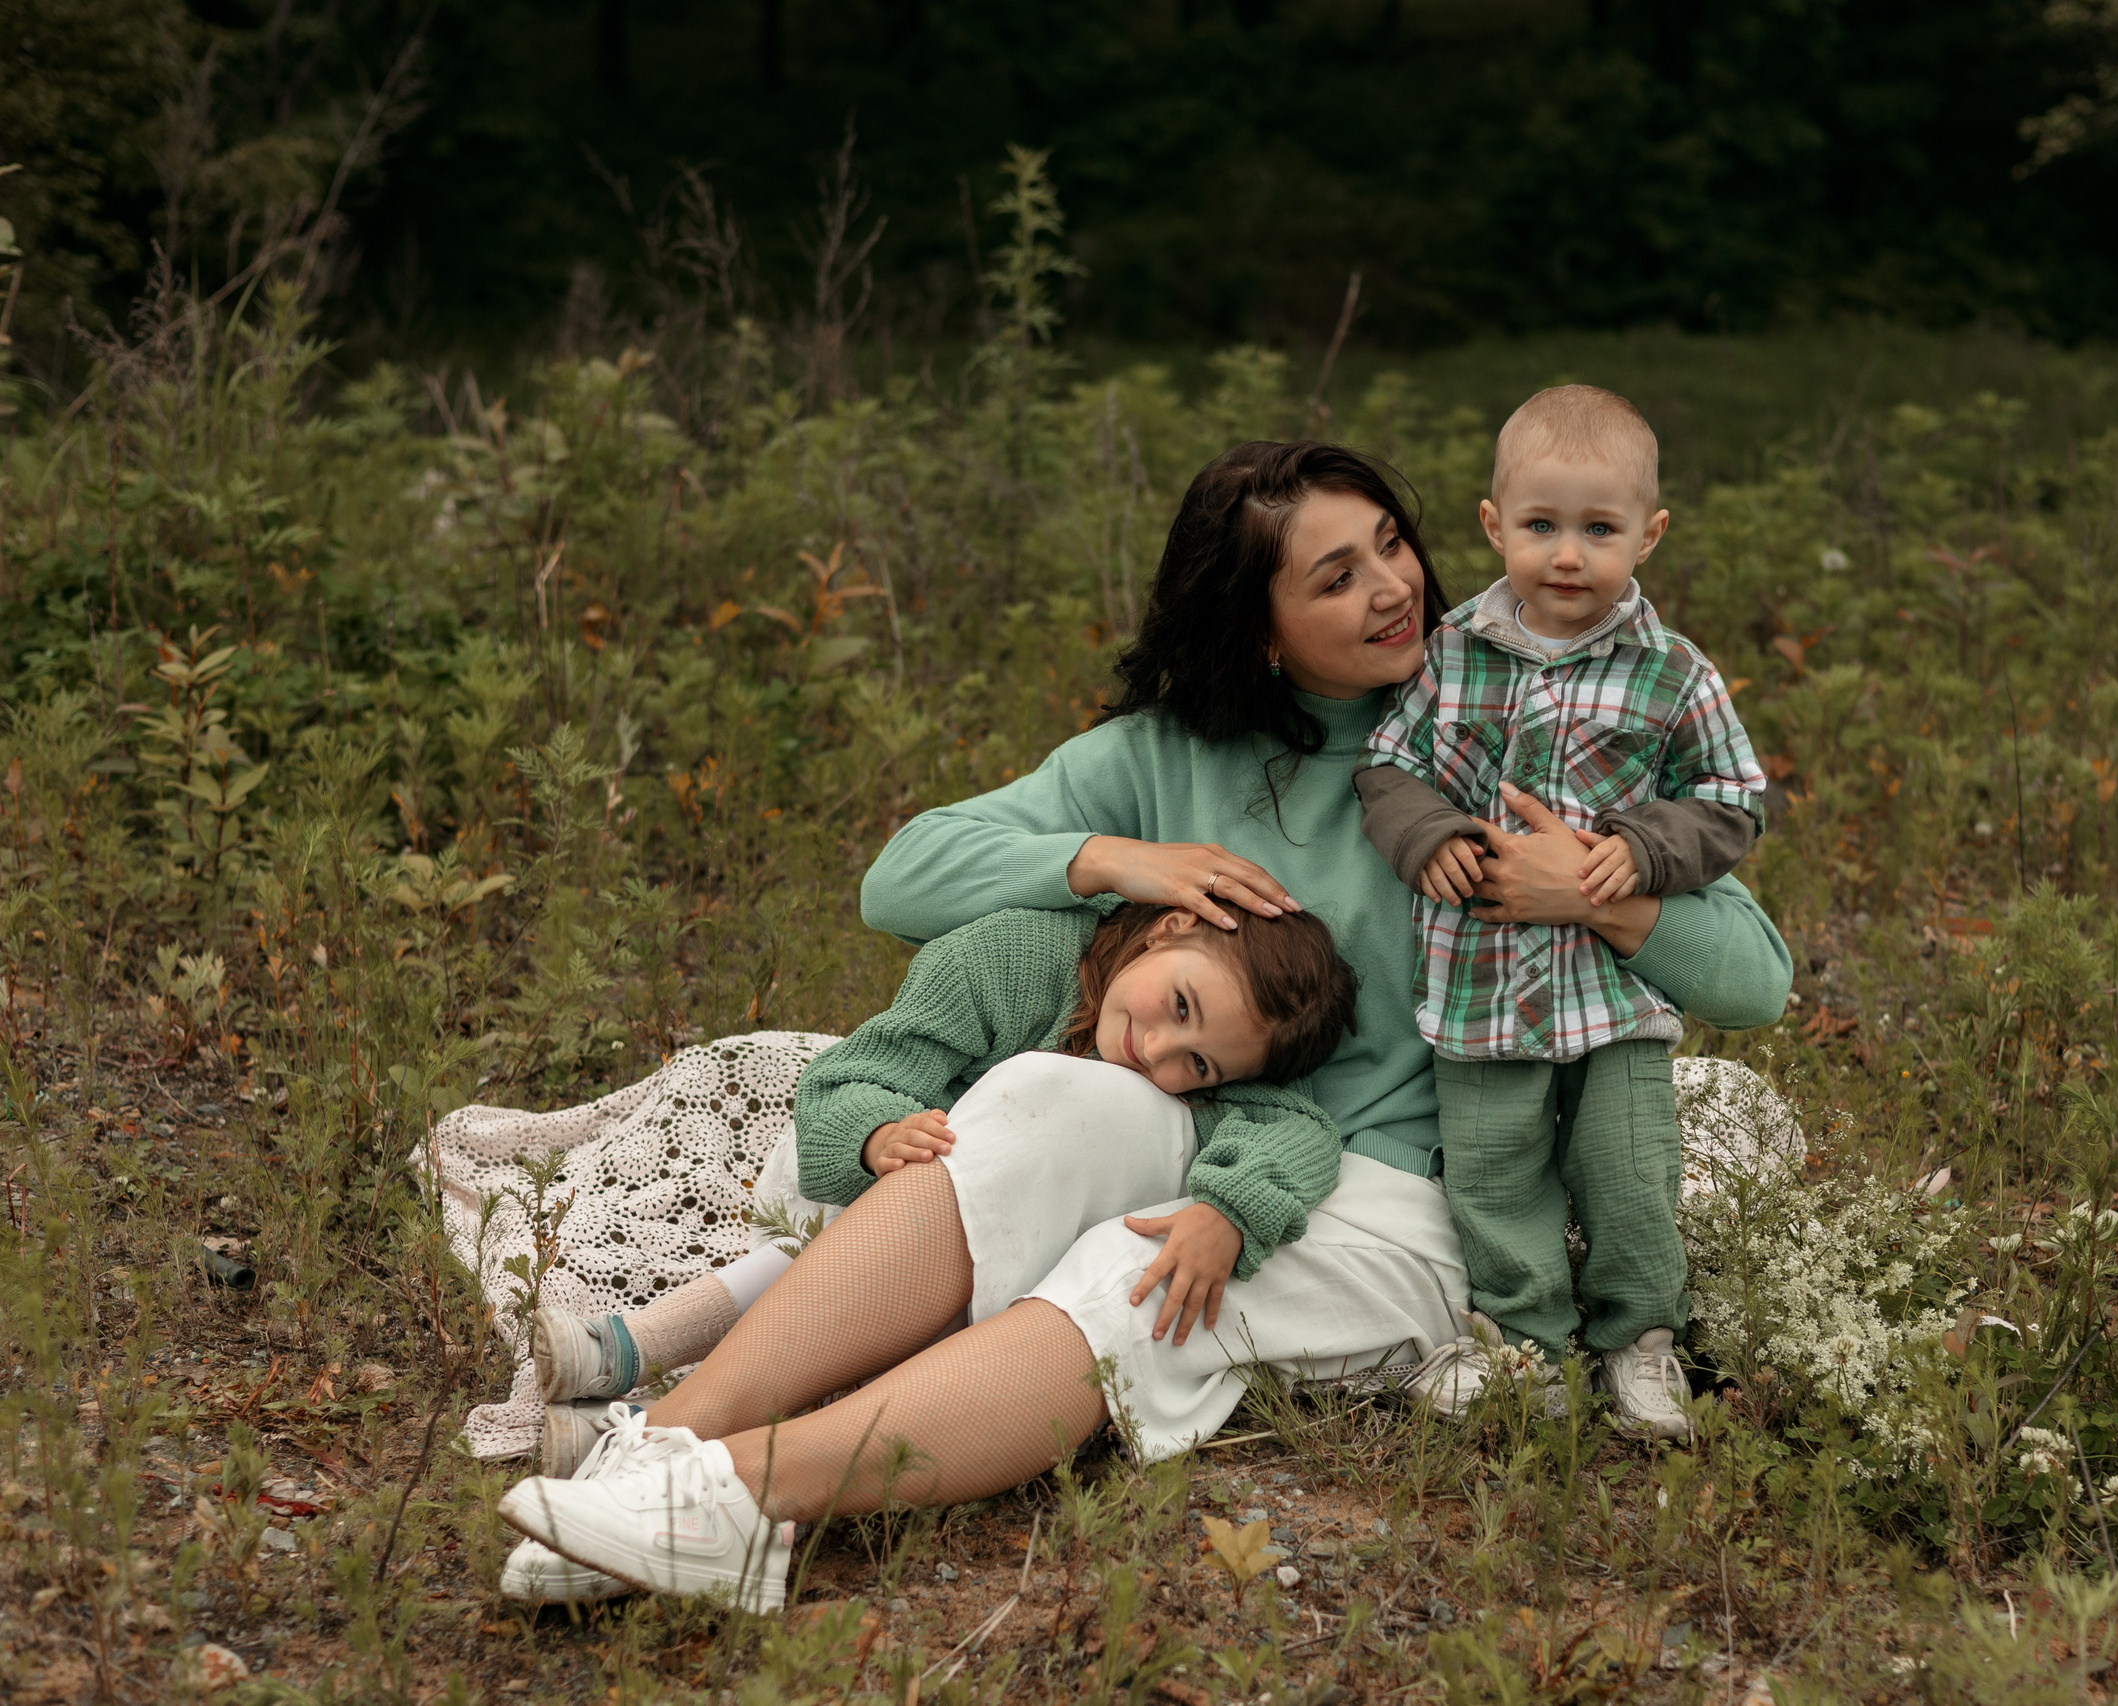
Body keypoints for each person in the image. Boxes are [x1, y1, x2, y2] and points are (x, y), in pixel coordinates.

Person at [489, 441, 1792, 1612]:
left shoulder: (1511, 720)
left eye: (1391, 543)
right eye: (1335, 576)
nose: (1393, 587)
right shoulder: (1173, 754)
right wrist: (1118, 859)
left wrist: (1596, 895)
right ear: (1260, 628)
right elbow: (903, 876)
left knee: (1137, 1269)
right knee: (1037, 1098)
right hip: (1206, 1117)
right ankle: (668, 1444)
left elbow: (1756, 976)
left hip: (1400, 1198)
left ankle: (739, 1495)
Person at [516, 897, 1359, 1479]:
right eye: (1178, 1004)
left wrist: (1230, 1210)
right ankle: (648, 1350)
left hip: (968, 1267)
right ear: (1170, 927)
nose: (1160, 1052)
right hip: (871, 1186)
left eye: (1199, 1064)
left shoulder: (1200, 1085)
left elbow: (1301, 1130)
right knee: (879, 1217)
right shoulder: (1014, 958)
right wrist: (877, 1133)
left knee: (956, 1234)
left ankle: (630, 1411)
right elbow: (860, 1072)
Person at [1356, 386, 1764, 1440]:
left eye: (1599, 530)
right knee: (1493, 1172)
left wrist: (1642, 848)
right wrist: (1427, 832)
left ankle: (1640, 1336)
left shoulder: (1673, 674)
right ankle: (1526, 1343)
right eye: (1541, 525)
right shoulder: (1450, 652)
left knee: (1628, 1171)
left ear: (1648, 535)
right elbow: (1389, 767)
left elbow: (1731, 800)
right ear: (1494, 525)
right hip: (1480, 978)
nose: (1568, 555)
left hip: (1613, 993)